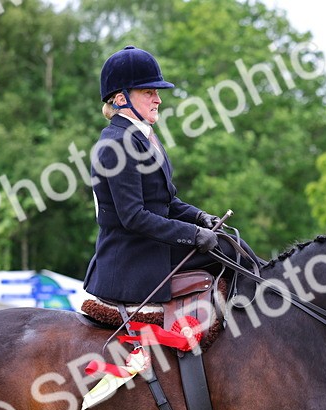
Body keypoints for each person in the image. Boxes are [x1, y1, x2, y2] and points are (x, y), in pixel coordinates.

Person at [83, 46, 250, 306]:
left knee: (235, 245)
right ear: (120, 99)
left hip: (153, 247)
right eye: (148, 92)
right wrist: (193, 234)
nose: (158, 99)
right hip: (132, 259)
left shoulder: (144, 136)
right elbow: (134, 217)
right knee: (230, 252)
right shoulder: (115, 145)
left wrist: (200, 217)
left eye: (157, 92)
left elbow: (167, 202)